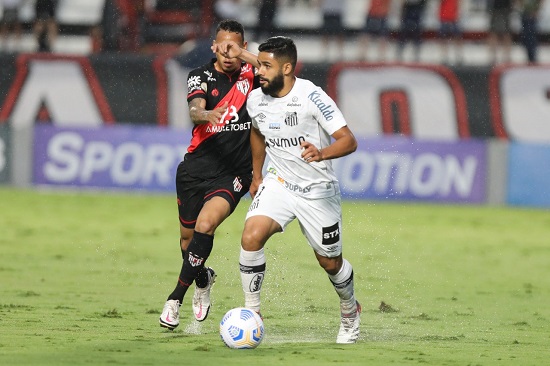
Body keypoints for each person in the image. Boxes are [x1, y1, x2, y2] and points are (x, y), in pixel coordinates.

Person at [214, 36, 361, 343]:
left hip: (317, 190)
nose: (259, 71)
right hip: (279, 182)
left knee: (330, 262)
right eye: (259, 65)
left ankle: (349, 310)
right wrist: (256, 175)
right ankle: (252, 312)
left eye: (266, 66)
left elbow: (349, 140)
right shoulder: (256, 99)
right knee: (251, 236)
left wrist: (321, 153)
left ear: (288, 68)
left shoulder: (312, 97)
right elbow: (257, 131)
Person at [159, 19, 259, 330]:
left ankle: (174, 299)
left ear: (242, 47)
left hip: (233, 173)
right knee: (188, 242)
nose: (228, 53)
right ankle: (202, 279)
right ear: (213, 46)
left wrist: (247, 56)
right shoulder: (199, 75)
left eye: (235, 46)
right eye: (223, 46)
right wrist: (205, 114)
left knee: (206, 225)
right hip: (196, 168)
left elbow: (283, 69)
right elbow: (194, 109)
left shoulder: (253, 76)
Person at [487, 0, 514, 64]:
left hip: (504, 9)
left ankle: (506, 56)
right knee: (495, 34)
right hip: (496, 9)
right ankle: (494, 57)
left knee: (505, 34)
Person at [438, 0, 463, 65]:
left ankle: (458, 55)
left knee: (456, 37)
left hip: (453, 16)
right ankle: (445, 56)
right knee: (444, 38)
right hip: (445, 16)